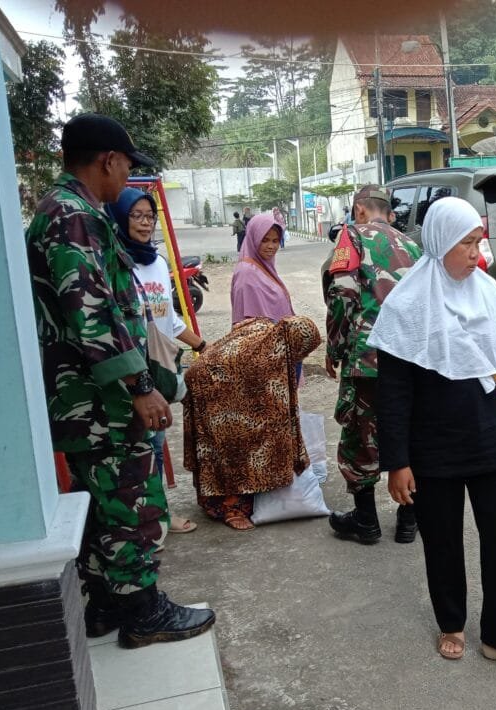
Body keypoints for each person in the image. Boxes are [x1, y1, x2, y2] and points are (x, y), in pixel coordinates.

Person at [25, 112, 215, 649]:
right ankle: (142, 610)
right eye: (128, 166)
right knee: (130, 498)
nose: (128, 177)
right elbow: (91, 314)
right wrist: (139, 387)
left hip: (86, 398)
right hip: (101, 401)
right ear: (108, 160)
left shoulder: (66, 211)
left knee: (100, 501)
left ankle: (106, 603)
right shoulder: (74, 215)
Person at [369, 196, 496, 671]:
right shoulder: (407, 307)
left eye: (478, 242)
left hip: (489, 437)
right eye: (466, 243)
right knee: (443, 541)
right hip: (431, 449)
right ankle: (451, 622)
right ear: (439, 243)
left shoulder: (486, 291)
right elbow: (392, 394)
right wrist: (397, 462)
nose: (477, 253)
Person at [106, 186, 208, 536]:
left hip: (160, 365)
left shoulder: (157, 263)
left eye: (150, 216)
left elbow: (168, 319)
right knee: (139, 444)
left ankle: (156, 514)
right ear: (119, 217)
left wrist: (203, 345)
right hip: (129, 370)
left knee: (156, 439)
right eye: (136, 215)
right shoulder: (113, 263)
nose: (145, 223)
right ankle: (148, 520)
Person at [324, 185, 421, 544]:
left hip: (368, 357)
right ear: (388, 212)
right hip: (411, 358)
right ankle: (409, 521)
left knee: (360, 435)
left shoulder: (351, 236)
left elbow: (343, 295)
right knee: (409, 431)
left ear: (359, 210)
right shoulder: (412, 244)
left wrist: (334, 348)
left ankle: (366, 522)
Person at [182, 315, 321, 531]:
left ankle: (222, 499)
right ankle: (232, 508)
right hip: (210, 388)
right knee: (236, 445)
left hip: (210, 377)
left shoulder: (267, 329)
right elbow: (271, 412)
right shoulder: (264, 360)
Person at [230, 210, 293, 325]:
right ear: (253, 239)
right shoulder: (247, 274)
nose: (271, 246)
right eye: (264, 240)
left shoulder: (263, 267)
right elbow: (248, 326)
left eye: (275, 241)